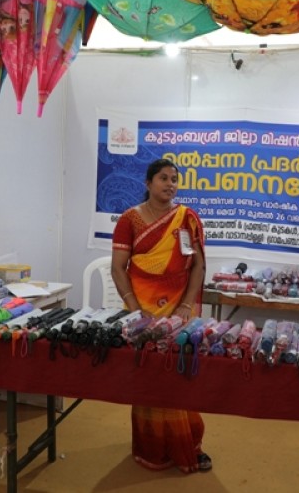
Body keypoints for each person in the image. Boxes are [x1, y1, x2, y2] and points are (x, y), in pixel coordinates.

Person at [111, 158, 210, 473]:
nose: (170, 184)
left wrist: (186, 306)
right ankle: (152, 447)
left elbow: (198, 266)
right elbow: (118, 268)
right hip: (142, 309)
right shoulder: (129, 219)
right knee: (149, 377)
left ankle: (188, 443)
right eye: (163, 178)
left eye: (174, 179)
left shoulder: (187, 219)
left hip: (180, 309)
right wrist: (134, 307)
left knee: (178, 374)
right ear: (148, 183)